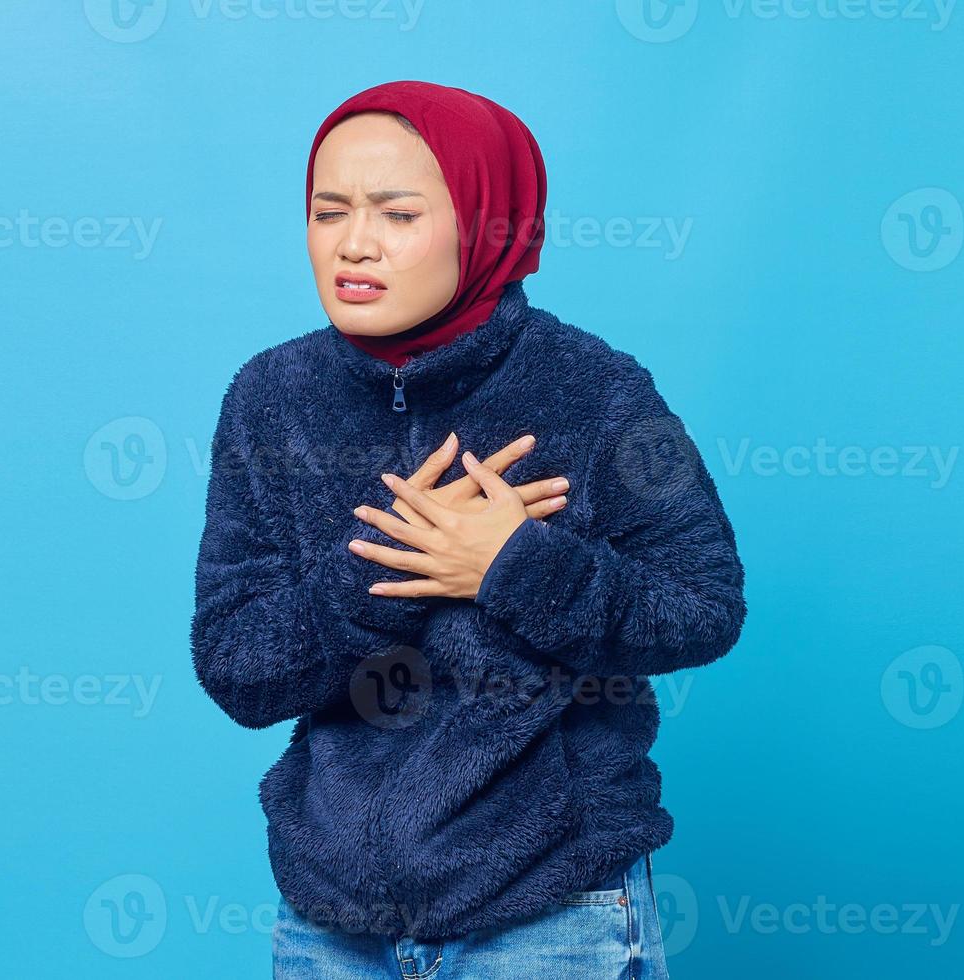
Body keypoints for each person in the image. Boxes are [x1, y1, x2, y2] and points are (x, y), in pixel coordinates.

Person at [191, 79, 746, 978]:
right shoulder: (270, 398)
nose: (354, 244)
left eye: (398, 214)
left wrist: (514, 565)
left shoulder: (595, 390)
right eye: (327, 212)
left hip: (549, 916)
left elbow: (703, 607)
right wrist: (398, 563)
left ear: (489, 224)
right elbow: (237, 669)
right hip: (332, 925)